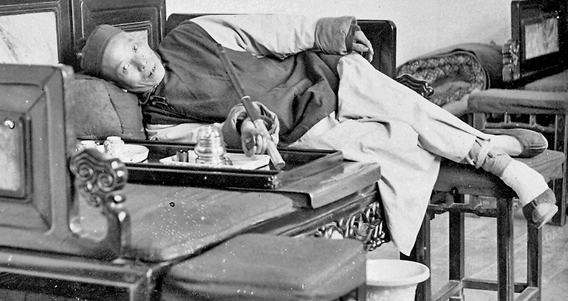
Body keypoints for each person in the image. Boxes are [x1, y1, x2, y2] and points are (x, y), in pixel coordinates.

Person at [79, 15, 556, 255]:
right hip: (303, 129)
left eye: (135, 48)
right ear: (121, 84)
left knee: (403, 106)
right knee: (397, 140)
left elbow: (270, 30)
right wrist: (243, 127)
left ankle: (501, 164)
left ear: (142, 38)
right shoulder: (158, 121)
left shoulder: (190, 35)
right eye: (126, 67)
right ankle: (485, 146)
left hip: (322, 75)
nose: (141, 63)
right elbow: (211, 139)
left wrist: (334, 32)